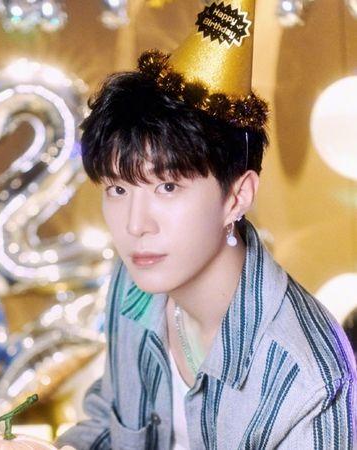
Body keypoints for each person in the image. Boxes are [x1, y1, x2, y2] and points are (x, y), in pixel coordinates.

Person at [55, 1, 357, 448]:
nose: (136, 226)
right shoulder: (134, 282)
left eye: (168, 187)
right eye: (118, 189)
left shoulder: (308, 378)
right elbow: (109, 419)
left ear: (237, 196)